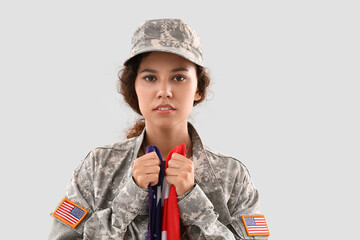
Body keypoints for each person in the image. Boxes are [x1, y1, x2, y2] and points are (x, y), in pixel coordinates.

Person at [49, 18, 270, 240]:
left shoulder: (233, 176)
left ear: (198, 89)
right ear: (133, 87)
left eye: (179, 77)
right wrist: (129, 198)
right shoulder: (97, 167)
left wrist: (193, 201)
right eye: (150, 77)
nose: (164, 91)